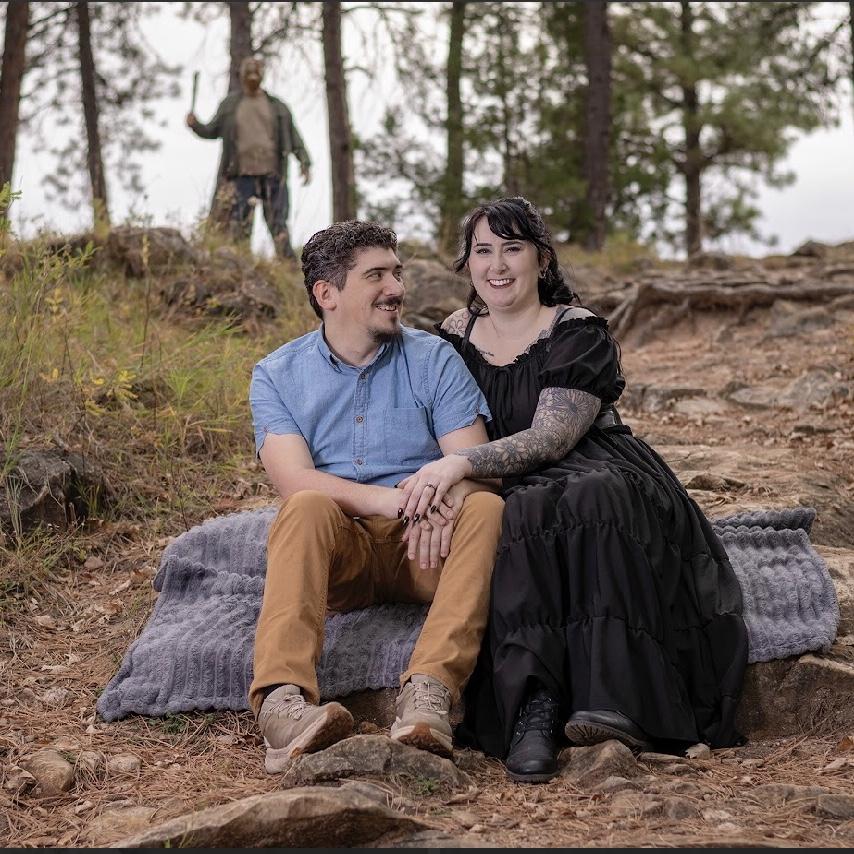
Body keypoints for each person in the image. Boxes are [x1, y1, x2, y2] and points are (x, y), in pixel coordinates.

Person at [397, 197, 748, 784]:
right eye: (483, 251)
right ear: (467, 263)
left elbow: (553, 438)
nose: (497, 265)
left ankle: (615, 702)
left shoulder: (577, 330)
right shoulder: (451, 339)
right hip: (499, 477)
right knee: (513, 512)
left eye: (513, 248)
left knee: (588, 497)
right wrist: (438, 488)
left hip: (594, 461)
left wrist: (455, 467)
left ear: (541, 259)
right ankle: (532, 710)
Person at [247, 219, 504, 774]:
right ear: (327, 294)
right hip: (344, 555)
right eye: (377, 276)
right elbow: (294, 480)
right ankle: (282, 704)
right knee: (305, 506)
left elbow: (476, 466)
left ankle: (430, 692)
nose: (396, 288)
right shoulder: (277, 375)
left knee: (485, 505)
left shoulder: (434, 359)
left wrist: (444, 494)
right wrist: (394, 500)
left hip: (426, 547)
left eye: (397, 273)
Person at [186, 56, 311, 259]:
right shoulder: (230, 105)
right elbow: (211, 130)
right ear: (242, 75)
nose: (253, 74)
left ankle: (288, 267)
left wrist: (305, 162)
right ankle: (242, 264)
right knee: (240, 225)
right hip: (241, 175)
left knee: (278, 225)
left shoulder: (278, 107)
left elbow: (294, 137)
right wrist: (195, 125)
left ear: (262, 75)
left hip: (273, 175)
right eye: (248, 70)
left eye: (256, 70)